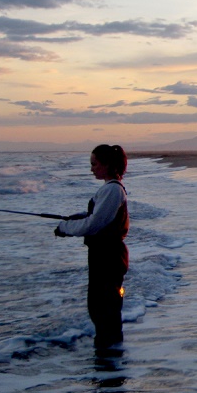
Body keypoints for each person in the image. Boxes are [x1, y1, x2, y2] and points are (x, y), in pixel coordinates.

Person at [55, 144, 130, 351]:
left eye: (94, 164)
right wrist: (78, 217)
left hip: (108, 257)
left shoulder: (113, 190)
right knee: (102, 310)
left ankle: (110, 364)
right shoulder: (110, 189)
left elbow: (94, 224)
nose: (92, 168)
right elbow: (97, 217)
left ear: (107, 165)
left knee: (104, 310)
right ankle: (110, 361)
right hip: (105, 256)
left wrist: (65, 228)